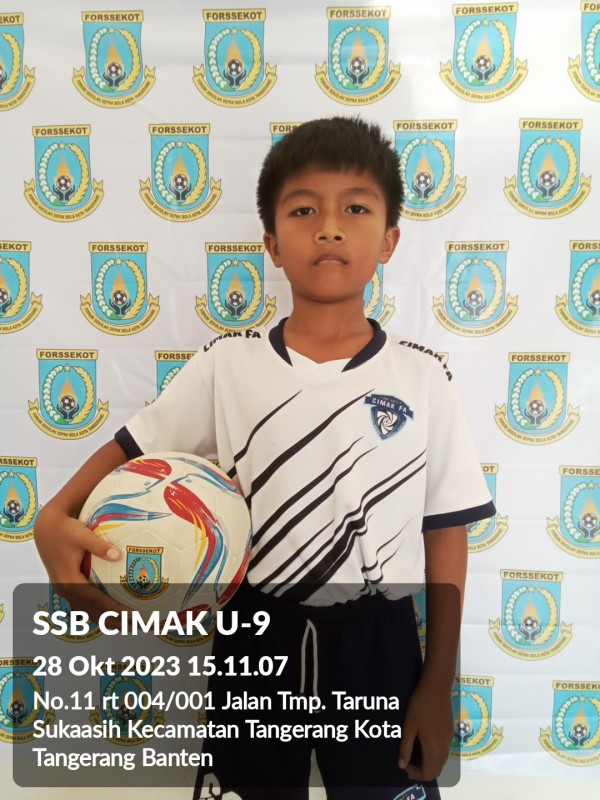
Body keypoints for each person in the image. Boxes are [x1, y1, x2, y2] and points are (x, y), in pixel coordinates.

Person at [34, 116, 495, 800]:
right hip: (257, 635)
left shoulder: (422, 378)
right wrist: (52, 517)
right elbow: (130, 449)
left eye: (356, 209)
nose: (329, 228)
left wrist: (436, 683)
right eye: (304, 210)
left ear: (389, 240)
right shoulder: (228, 364)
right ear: (273, 245)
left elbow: (446, 529)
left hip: (380, 643)